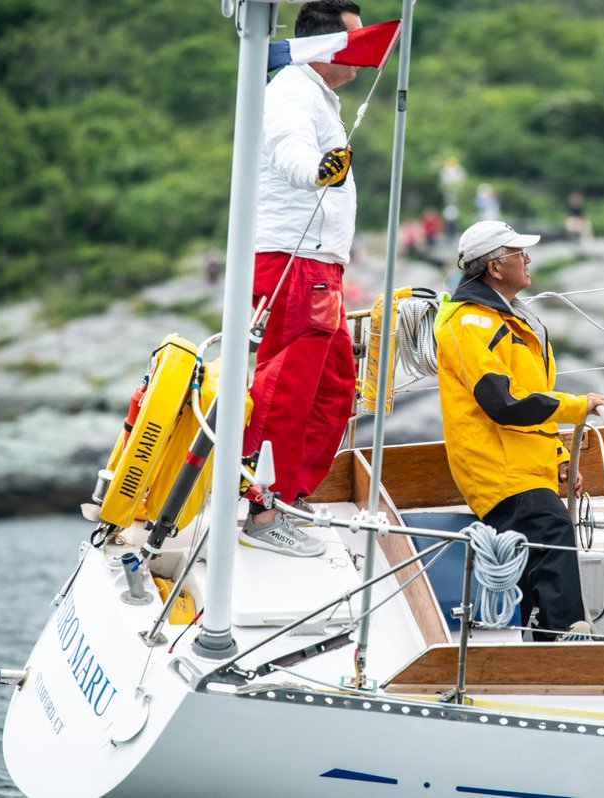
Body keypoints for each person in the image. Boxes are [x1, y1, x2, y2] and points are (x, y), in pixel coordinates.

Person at [434, 221, 604, 640]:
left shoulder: (510, 319)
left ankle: (541, 641)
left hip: (524, 467)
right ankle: (566, 639)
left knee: (542, 542)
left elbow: (531, 399)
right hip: (497, 469)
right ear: (495, 267)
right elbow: (504, 404)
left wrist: (561, 460)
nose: (528, 259)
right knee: (551, 528)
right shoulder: (470, 324)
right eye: (519, 253)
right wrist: (578, 407)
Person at [241, 0, 365, 556]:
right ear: (323, 48)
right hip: (295, 262)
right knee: (287, 390)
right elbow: (288, 148)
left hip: (318, 264)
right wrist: (314, 170)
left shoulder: (319, 96)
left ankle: (288, 491)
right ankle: (262, 510)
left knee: (335, 384)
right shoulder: (291, 91)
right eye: (353, 40)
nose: (363, 52)